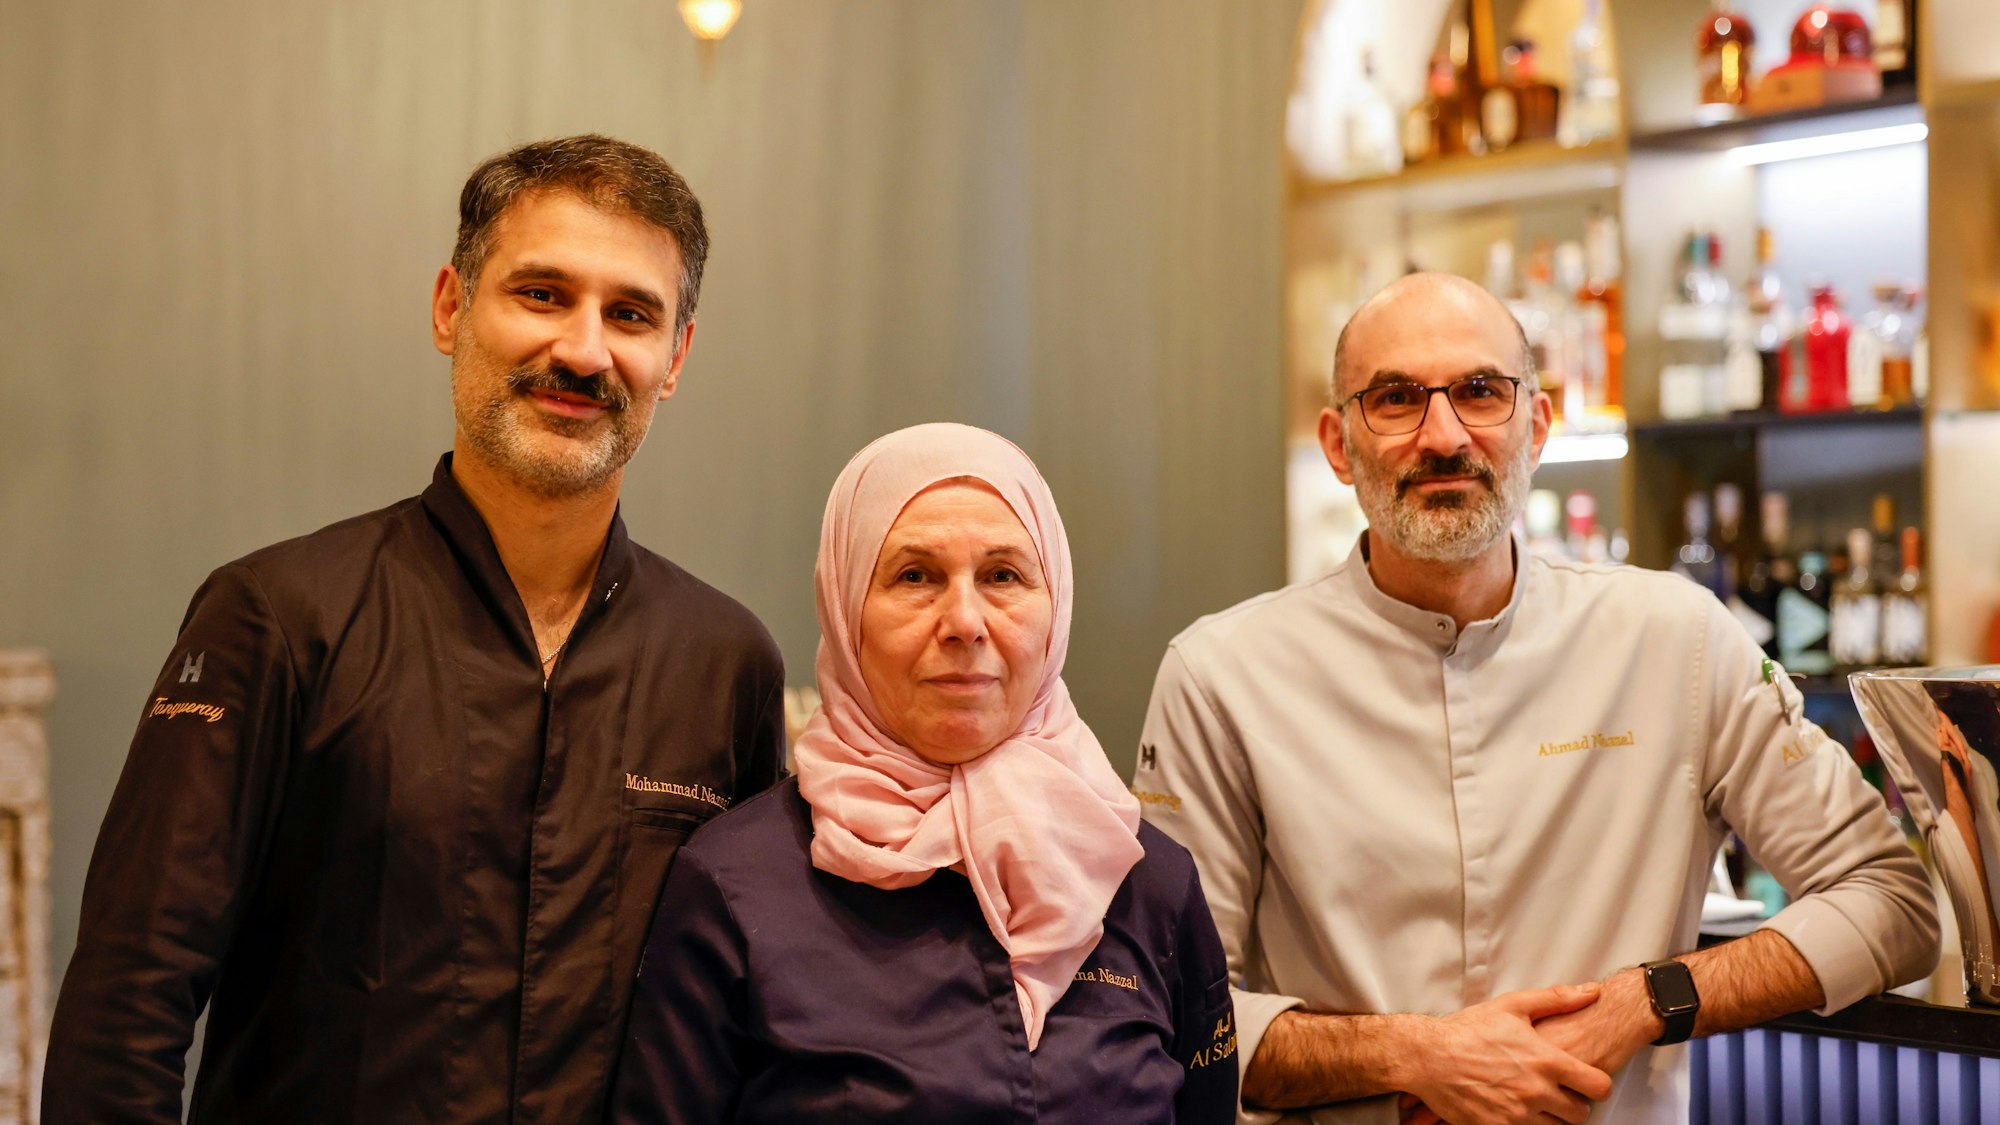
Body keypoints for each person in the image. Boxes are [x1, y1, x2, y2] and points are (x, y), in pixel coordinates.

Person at [44, 135, 786, 1123]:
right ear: (450, 308)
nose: (582, 348)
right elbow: (128, 1002)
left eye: (631, 314)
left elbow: (746, 1016)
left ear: (675, 358)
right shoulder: (275, 617)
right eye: (540, 294)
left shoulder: (724, 666)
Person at [1131, 272, 1939, 1125]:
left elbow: (1891, 898)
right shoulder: (1223, 676)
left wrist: (1649, 999)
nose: (1443, 435)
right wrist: (1419, 1056)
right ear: (1338, 444)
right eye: (1396, 399)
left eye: (1481, 391)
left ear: (1539, 425)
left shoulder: (1675, 640)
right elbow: (1178, 1014)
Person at [609, 422, 1238, 1123]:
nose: (964, 621)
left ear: (1055, 603)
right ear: (848, 612)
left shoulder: (1149, 881)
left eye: (1003, 575)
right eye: (915, 575)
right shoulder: (733, 887)